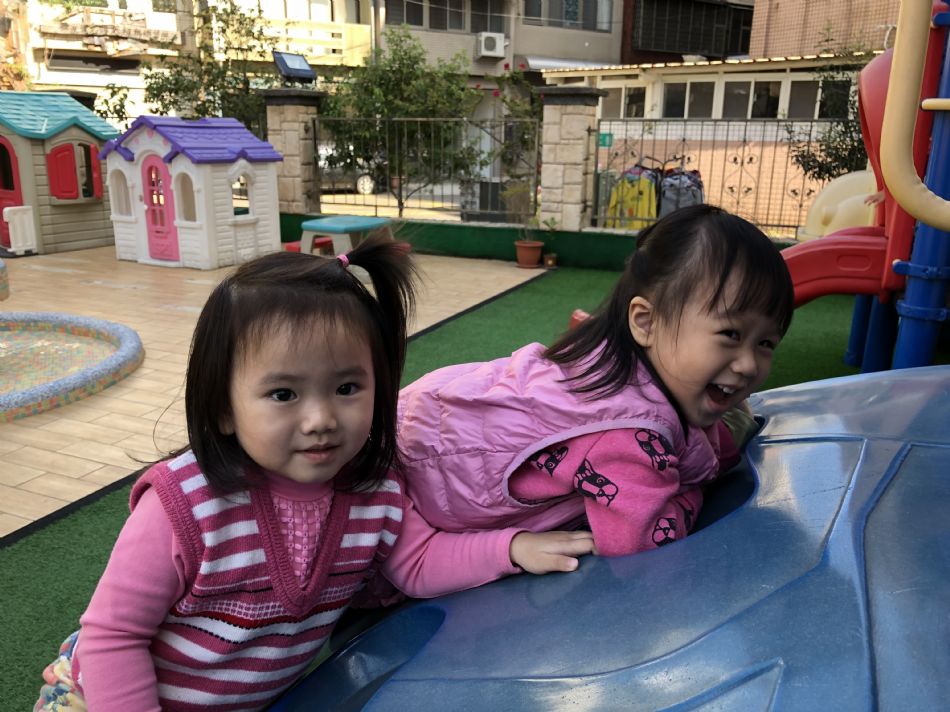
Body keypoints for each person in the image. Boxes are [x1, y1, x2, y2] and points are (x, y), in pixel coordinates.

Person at [35, 236, 593, 712]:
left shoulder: (373, 493)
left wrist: (511, 548)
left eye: (347, 388)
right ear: (224, 406)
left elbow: (419, 563)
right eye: (284, 394)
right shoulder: (183, 505)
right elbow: (113, 637)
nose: (321, 418)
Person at [397, 205, 795, 558]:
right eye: (730, 334)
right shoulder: (627, 434)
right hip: (411, 496)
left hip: (422, 418)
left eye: (766, 343)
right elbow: (641, 545)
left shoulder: (613, 358)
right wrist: (692, 489)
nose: (748, 364)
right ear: (646, 322)